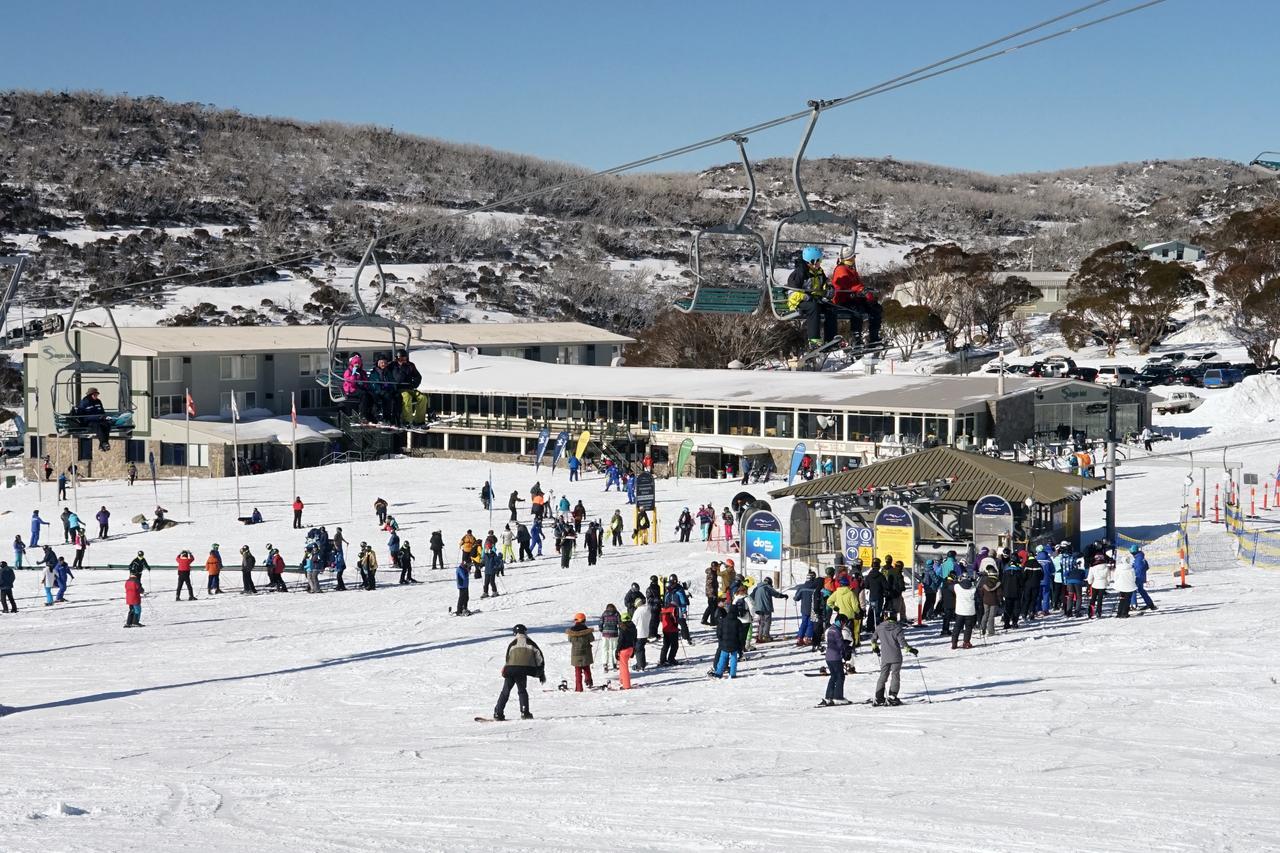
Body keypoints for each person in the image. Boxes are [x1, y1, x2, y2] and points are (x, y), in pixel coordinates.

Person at [829, 247, 882, 347]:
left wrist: (865, 291)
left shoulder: (851, 270)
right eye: (852, 258)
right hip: (843, 300)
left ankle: (874, 337)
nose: (853, 259)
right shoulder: (841, 269)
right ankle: (856, 338)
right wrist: (861, 290)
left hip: (854, 298)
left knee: (875, 308)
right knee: (857, 311)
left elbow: (857, 284)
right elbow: (847, 285)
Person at [493, 624, 545, 720]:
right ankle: (525, 712)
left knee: (505, 691)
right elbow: (539, 658)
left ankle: (498, 713)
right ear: (525, 632)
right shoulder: (531, 643)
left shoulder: (512, 644)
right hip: (522, 670)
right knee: (522, 691)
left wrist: (506, 669)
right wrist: (540, 672)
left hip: (510, 669)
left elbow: (507, 659)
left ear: (515, 633)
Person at [789, 247, 836, 346]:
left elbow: (822, 286)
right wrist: (806, 297)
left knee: (831, 307)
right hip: (797, 303)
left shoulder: (819, 272)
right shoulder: (799, 273)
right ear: (812, 261)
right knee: (813, 307)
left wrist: (828, 290)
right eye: (819, 261)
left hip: (814, 300)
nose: (820, 263)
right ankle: (814, 339)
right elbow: (792, 293)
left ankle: (830, 339)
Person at [871, 611, 917, 706]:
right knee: (895, 675)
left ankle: (879, 697)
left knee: (883, 675)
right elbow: (902, 642)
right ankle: (892, 696)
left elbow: (873, 639)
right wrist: (911, 649)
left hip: (885, 656)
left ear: (885, 617)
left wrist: (875, 648)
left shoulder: (879, 627)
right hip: (896, 656)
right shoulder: (897, 628)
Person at [709, 599, 745, 679]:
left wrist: (721, 640)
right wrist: (742, 644)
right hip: (734, 644)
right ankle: (732, 674)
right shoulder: (738, 622)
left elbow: (718, 632)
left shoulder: (723, 620)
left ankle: (719, 673)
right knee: (733, 658)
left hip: (724, 643)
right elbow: (741, 635)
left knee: (722, 658)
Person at [821, 614, 852, 706]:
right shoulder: (837, 631)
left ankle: (829, 697)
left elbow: (834, 643)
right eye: (844, 623)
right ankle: (838, 697)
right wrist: (846, 649)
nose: (844, 625)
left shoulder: (831, 629)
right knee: (840, 676)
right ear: (841, 622)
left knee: (834, 676)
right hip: (835, 657)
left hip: (829, 657)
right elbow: (840, 645)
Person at [391, 348, 424, 426]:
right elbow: (398, 379)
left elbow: (418, 376)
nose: (403, 360)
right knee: (407, 397)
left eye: (404, 358)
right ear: (397, 358)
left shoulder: (410, 365)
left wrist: (414, 383)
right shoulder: (393, 366)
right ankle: (407, 420)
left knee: (423, 398)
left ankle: (419, 420)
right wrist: (402, 367)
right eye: (401, 358)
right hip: (399, 389)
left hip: (410, 388)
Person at [749, 576, 787, 642]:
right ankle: (765, 636)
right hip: (766, 607)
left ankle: (760, 636)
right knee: (767, 622)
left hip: (758, 608)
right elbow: (776, 594)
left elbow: (751, 596)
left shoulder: (757, 587)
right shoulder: (768, 587)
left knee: (761, 622)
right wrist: (783, 596)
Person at [566, 613, 596, 691]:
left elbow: (570, 640)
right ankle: (589, 682)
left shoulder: (571, 631)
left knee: (578, 671)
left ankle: (579, 688)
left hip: (576, 653)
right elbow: (592, 639)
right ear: (584, 620)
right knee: (586, 668)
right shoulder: (587, 630)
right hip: (586, 652)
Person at [951, 572, 977, 649]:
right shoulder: (973, 588)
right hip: (970, 611)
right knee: (968, 627)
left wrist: (957, 580)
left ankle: (954, 642)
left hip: (960, 611)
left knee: (957, 627)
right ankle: (966, 642)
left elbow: (950, 587)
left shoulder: (957, 587)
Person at [1112, 549, 1137, 618]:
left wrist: (1118, 583)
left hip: (1121, 586)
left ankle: (1119, 613)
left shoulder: (1119, 568)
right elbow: (1133, 578)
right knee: (1127, 600)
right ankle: (1125, 613)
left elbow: (1115, 577)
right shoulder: (1131, 569)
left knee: (1122, 599)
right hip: (1129, 586)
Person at [616, 612, 637, 689]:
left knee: (624, 667)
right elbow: (635, 639)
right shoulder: (633, 627)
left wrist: (617, 650)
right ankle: (622, 681)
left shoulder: (623, 628)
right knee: (622, 666)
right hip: (630, 648)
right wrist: (634, 650)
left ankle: (626, 685)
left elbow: (620, 641)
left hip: (624, 650)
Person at [978, 566, 1001, 636]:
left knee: (985, 614)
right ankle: (991, 631)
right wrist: (1000, 600)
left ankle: (982, 629)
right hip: (994, 600)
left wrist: (982, 597)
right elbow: (999, 593)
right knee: (991, 616)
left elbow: (981, 591)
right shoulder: (998, 582)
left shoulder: (984, 581)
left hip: (985, 600)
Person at [1087, 554, 1111, 619]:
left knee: (1093, 598)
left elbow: (1090, 578)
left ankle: (1090, 612)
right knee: (1100, 599)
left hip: (1095, 584)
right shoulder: (1106, 568)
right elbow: (1109, 578)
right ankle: (1098, 612)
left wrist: (1090, 583)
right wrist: (1107, 583)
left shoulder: (1092, 568)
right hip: (1102, 584)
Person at [631, 597, 652, 671]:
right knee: (641, 649)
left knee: (638, 650)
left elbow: (633, 623)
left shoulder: (638, 611)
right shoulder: (648, 609)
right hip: (646, 632)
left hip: (639, 633)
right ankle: (642, 663)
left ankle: (640, 665)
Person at [599, 604, 621, 673]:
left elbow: (601, 622)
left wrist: (601, 629)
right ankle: (614, 664)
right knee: (614, 649)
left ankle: (605, 664)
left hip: (605, 634)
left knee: (605, 648)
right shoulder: (616, 613)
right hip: (614, 633)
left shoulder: (604, 613)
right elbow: (620, 623)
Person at [658, 602, 680, 666]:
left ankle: (662, 660)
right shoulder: (673, 609)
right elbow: (675, 620)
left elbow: (661, 620)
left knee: (666, 645)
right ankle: (671, 659)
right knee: (674, 645)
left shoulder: (663, 610)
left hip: (665, 629)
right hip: (672, 630)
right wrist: (676, 628)